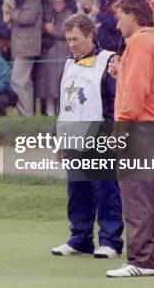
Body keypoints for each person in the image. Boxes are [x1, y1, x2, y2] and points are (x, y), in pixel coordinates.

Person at [105, 0, 154, 278]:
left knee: (136, 196)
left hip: (137, 127)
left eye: (120, 16)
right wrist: (123, 72)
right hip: (152, 126)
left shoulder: (140, 44)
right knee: (147, 196)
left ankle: (141, 260)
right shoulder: (153, 42)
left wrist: (119, 127)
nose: (117, 24)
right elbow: (149, 84)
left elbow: (134, 96)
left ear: (132, 15)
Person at [51, 14, 123, 259]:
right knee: (77, 190)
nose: (71, 44)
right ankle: (80, 238)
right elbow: (64, 104)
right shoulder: (68, 63)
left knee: (105, 190)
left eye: (76, 39)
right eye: (68, 39)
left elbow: (115, 102)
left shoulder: (109, 60)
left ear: (91, 36)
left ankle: (110, 240)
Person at [4, 0, 43, 116]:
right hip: (21, 46)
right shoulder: (21, 0)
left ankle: (25, 113)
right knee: (24, 82)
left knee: (18, 81)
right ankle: (27, 113)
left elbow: (27, 18)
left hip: (27, 46)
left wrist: (11, 10)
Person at [39, 0, 72, 116]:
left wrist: (53, 30)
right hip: (49, 53)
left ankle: (61, 112)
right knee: (48, 86)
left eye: (59, 2)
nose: (57, 4)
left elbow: (67, 33)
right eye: (55, 2)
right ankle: (49, 112)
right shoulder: (50, 14)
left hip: (61, 53)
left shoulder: (68, 15)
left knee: (59, 84)